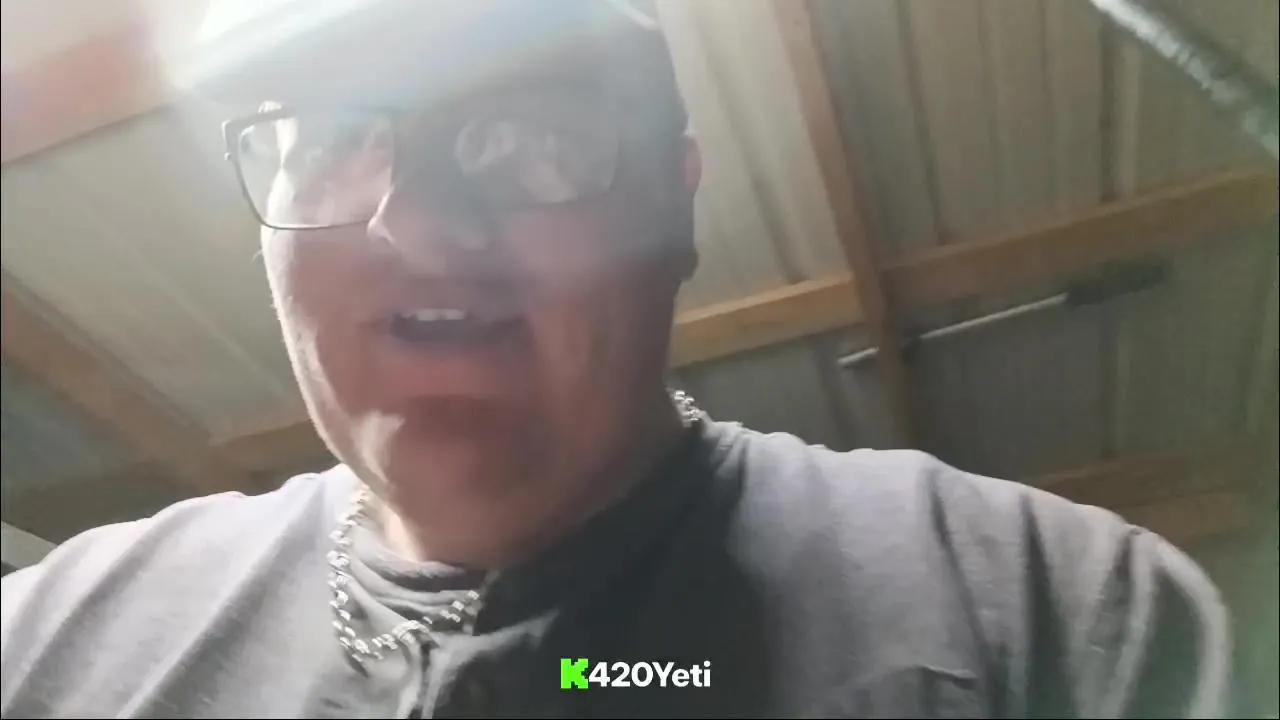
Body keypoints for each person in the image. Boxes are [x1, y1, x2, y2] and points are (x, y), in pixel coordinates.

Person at [0, 1, 1230, 717]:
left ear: (676, 204)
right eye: (328, 140)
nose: (412, 224)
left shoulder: (1047, 614)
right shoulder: (49, 640)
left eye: (532, 137)